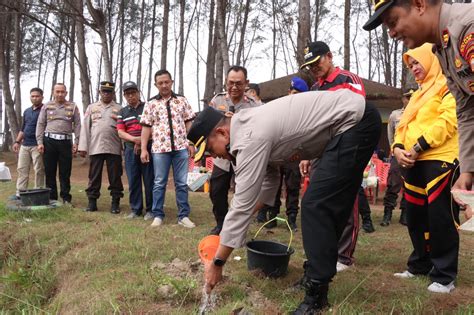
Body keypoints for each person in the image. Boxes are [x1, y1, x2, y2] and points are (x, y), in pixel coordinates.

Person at [188, 89, 381, 313]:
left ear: (222, 132)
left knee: (315, 206)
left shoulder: (249, 137)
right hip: (349, 123)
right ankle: (315, 276)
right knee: (327, 206)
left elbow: (242, 204)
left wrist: (218, 262)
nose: (214, 156)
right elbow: (268, 183)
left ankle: (317, 296)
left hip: (354, 122)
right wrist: (240, 220)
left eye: (211, 149)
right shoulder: (245, 130)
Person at [363, 0, 474, 218]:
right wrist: (469, 169)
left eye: (393, 22)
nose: (392, 34)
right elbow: (467, 111)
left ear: (419, 4)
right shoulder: (442, 49)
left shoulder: (467, 27)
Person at [299, 41, 374, 274]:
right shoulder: (314, 89)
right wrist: (306, 154)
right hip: (321, 151)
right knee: (318, 202)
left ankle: (344, 254)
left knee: (346, 199)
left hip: (346, 147)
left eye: (317, 62)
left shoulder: (348, 80)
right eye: (309, 65)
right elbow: (310, 124)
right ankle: (325, 250)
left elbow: (356, 112)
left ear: (329, 56)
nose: (314, 68)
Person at [392, 44, 459, 293]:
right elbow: (402, 126)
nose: (414, 69)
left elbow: (448, 121)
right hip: (412, 161)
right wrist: (397, 149)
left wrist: (419, 146)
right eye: (410, 66)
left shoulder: (448, 85)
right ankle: (420, 264)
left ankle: (444, 276)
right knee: (416, 217)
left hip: (440, 158)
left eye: (417, 63)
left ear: (431, 60)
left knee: (440, 218)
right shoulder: (417, 95)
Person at [207, 66, 260, 235]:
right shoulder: (217, 101)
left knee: (243, 193)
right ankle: (221, 223)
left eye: (239, 83)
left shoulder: (255, 105)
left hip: (244, 157)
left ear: (246, 83)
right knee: (216, 190)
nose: (234, 87)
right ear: (225, 82)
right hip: (222, 156)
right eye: (231, 83)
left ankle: (238, 227)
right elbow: (208, 127)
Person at [140, 69, 196, 228]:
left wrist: (191, 143)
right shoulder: (151, 103)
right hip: (160, 149)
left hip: (181, 148)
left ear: (171, 82)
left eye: (166, 82)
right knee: (159, 182)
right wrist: (144, 148)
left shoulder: (182, 100)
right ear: (156, 85)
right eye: (160, 83)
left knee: (181, 182)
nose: (164, 85)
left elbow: (189, 123)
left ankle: (183, 216)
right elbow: (146, 127)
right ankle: (158, 215)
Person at [259, 77, 309, 231]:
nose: (295, 97)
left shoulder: (306, 114)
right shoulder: (278, 107)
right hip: (276, 153)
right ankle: (272, 216)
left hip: (294, 154)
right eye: (294, 92)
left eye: (300, 94)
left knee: (293, 187)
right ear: (289, 92)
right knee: (273, 185)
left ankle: (292, 218)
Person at [78, 81, 124, 213]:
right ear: (99, 92)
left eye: (109, 91)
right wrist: (83, 147)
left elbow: (124, 129)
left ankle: (115, 203)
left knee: (115, 176)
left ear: (113, 93)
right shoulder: (92, 108)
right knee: (94, 176)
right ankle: (92, 202)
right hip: (96, 146)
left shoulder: (120, 108)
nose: (106, 94)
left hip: (114, 147)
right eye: (104, 91)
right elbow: (86, 127)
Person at [36, 83, 81, 204]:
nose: (60, 94)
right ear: (53, 92)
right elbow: (40, 124)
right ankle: (52, 198)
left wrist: (77, 142)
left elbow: (77, 125)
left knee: (65, 172)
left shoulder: (73, 106)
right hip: (49, 141)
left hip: (65, 142)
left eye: (62, 91)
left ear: (66, 93)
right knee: (50, 171)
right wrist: (40, 142)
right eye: (57, 91)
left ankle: (66, 198)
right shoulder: (46, 106)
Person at [117, 81, 154, 220]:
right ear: (124, 96)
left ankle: (151, 210)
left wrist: (143, 141)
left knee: (149, 179)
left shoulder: (148, 107)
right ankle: (136, 209)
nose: (131, 96)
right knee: (133, 180)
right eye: (128, 94)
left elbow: (154, 127)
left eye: (133, 93)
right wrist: (135, 140)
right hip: (130, 149)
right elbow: (121, 132)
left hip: (148, 148)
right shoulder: (122, 112)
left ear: (138, 93)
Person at [381, 88, 414, 226]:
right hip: (398, 153)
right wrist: (394, 150)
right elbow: (390, 134)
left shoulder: (421, 113)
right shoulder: (395, 115)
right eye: (407, 97)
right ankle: (387, 213)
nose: (410, 99)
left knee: (410, 184)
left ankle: (405, 214)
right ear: (403, 99)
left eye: (412, 97)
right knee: (393, 183)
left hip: (413, 154)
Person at [13, 88, 45, 198]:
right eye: (32, 96)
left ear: (42, 97)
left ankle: (39, 192)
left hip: (38, 145)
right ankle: (20, 192)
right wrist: (17, 141)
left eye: (37, 96)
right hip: (25, 145)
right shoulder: (27, 111)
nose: (35, 98)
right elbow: (23, 129)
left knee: (39, 170)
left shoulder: (45, 110)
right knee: (22, 169)